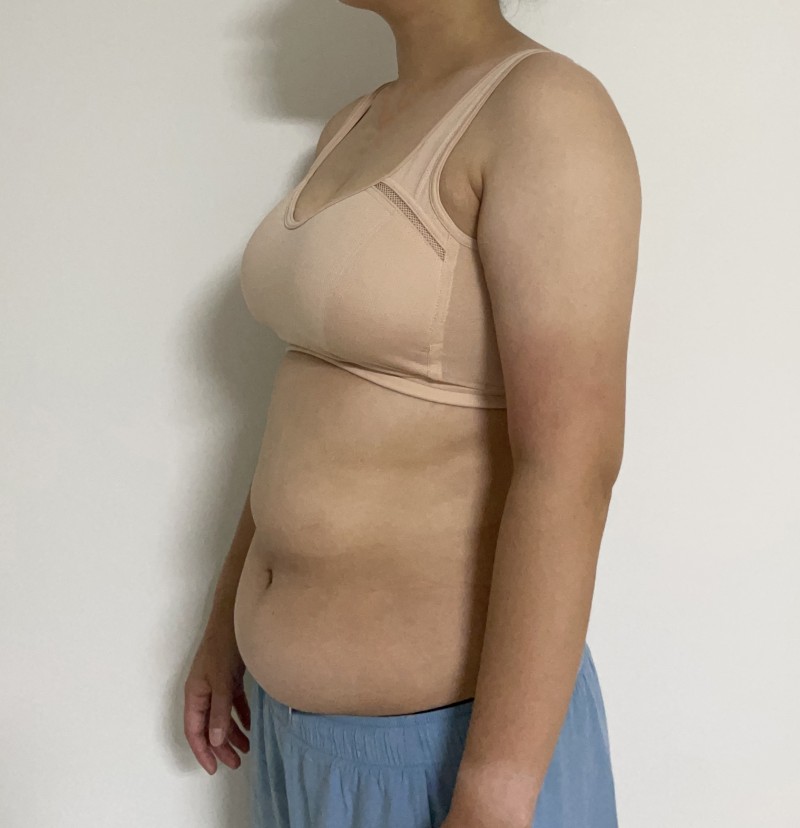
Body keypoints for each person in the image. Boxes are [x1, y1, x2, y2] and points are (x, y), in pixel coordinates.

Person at [183, 0, 641, 825]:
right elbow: (311, 406)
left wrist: (495, 790)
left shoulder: (546, 111)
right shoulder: (355, 123)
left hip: (445, 759)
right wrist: (227, 622)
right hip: (296, 740)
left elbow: (572, 466)